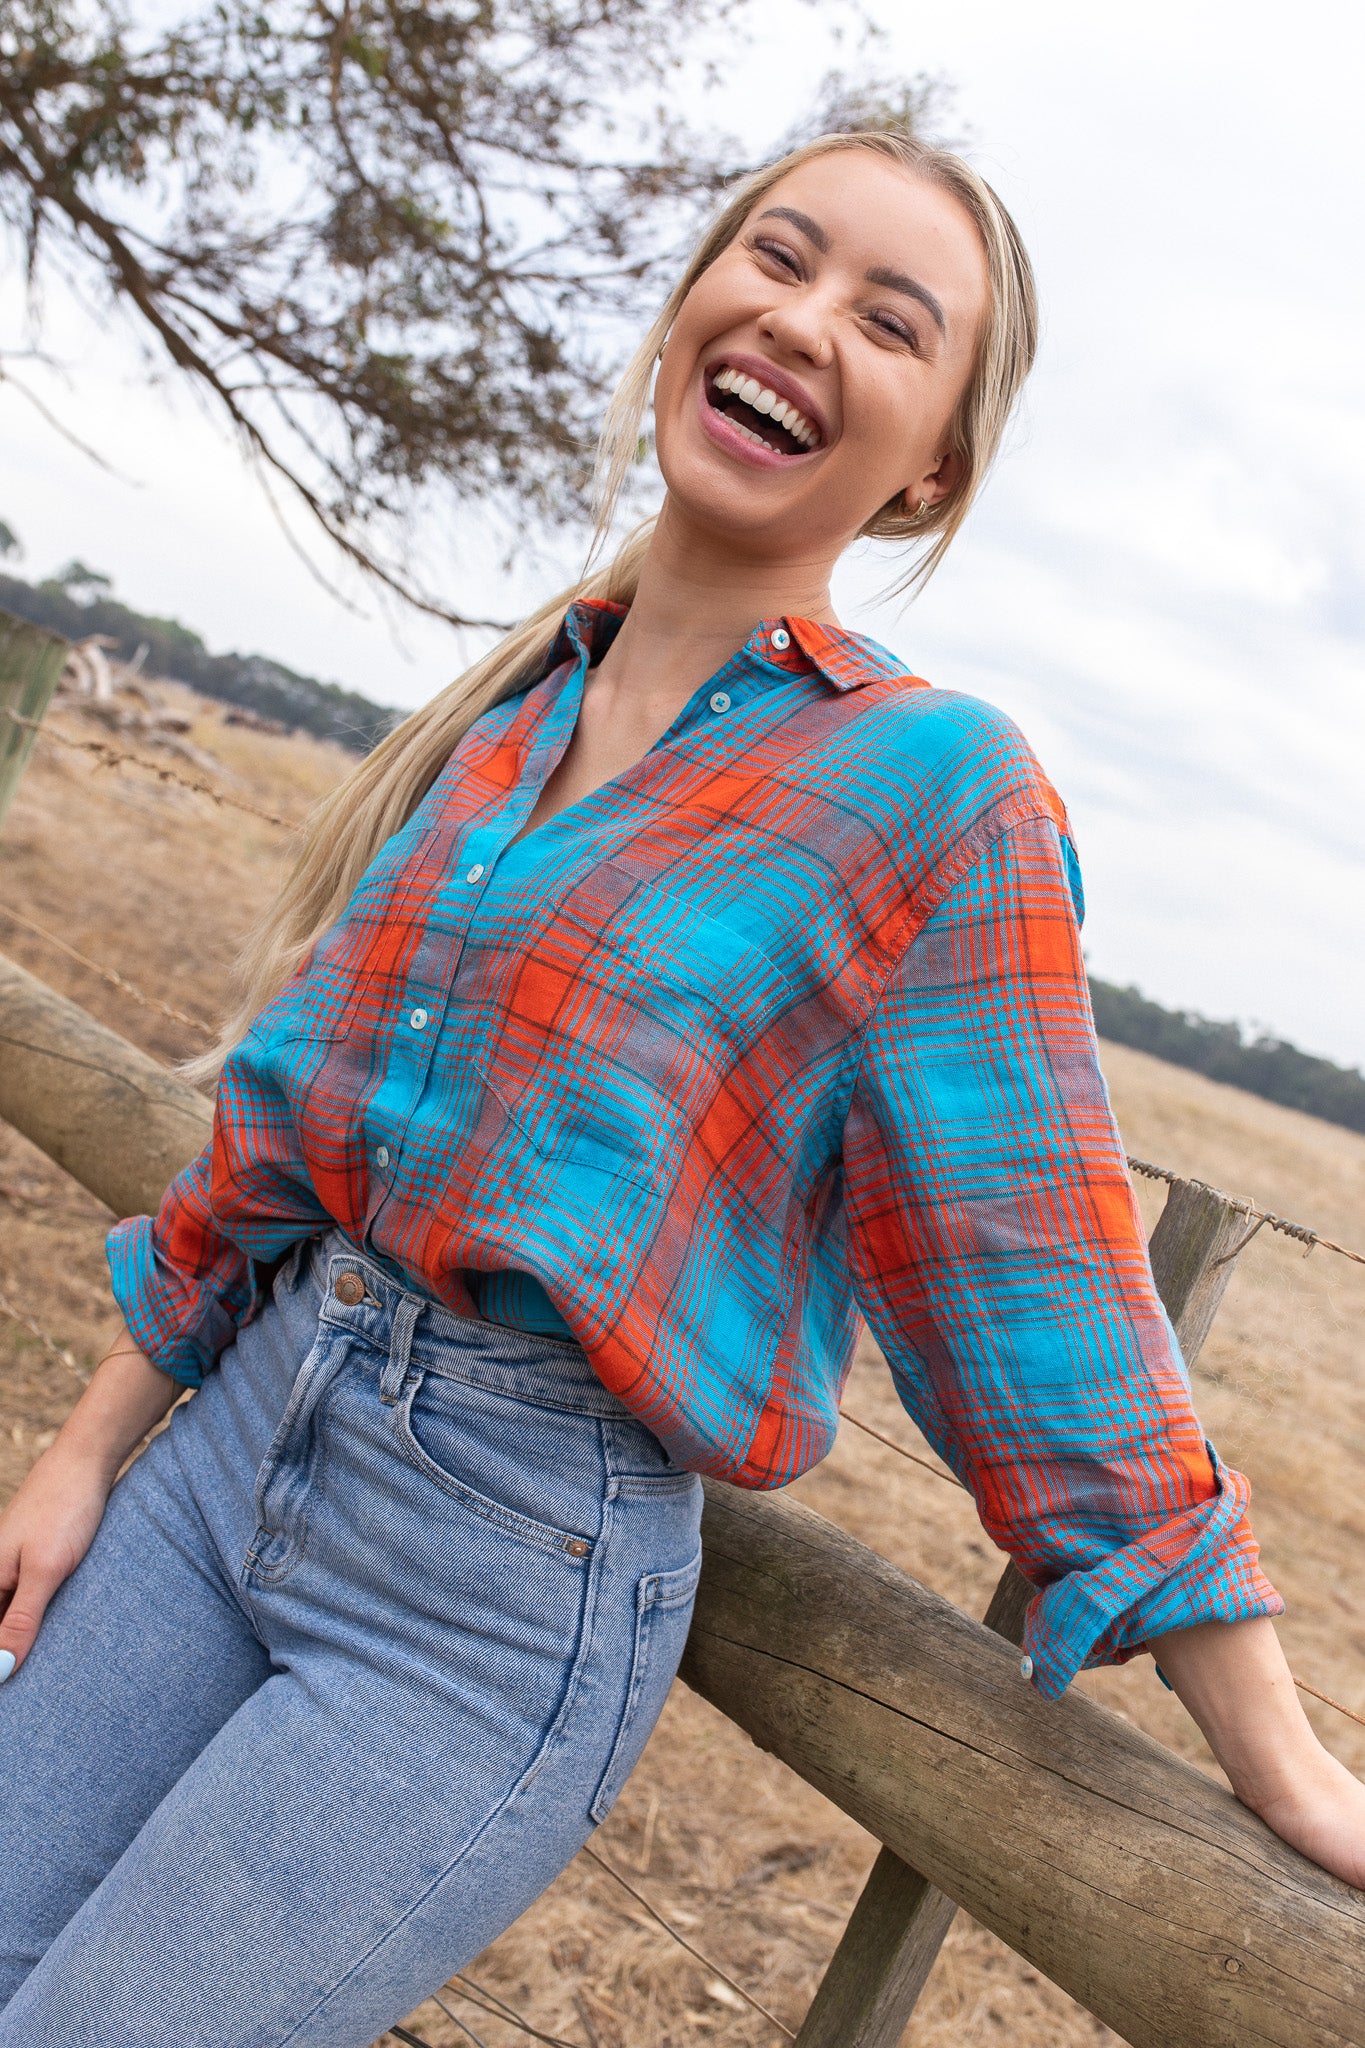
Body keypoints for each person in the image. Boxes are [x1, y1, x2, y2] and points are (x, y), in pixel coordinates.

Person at [0, 127, 1360, 2046]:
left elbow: (1039, 1301)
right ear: (689, 310)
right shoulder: (516, 711)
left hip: (484, 1602)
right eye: (778, 260)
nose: (804, 323)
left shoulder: (931, 792)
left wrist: (1286, 1764)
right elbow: (280, 1141)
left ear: (932, 466)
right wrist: (81, 1452)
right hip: (233, 1455)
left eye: (890, 321)